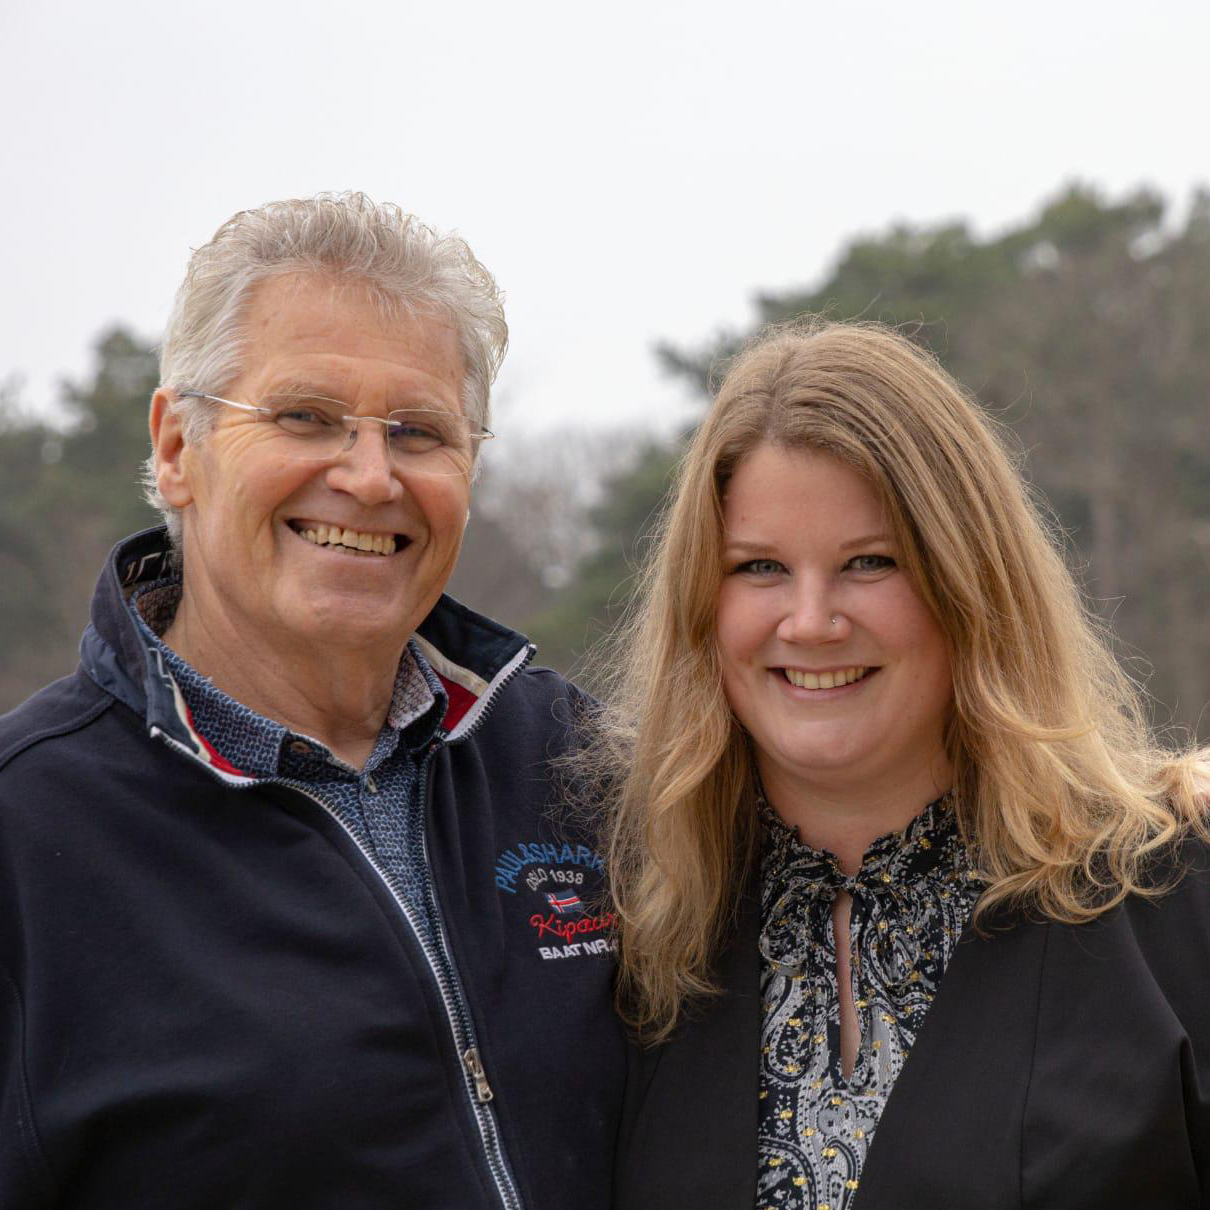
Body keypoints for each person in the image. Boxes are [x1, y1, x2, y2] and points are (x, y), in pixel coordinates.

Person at [0, 194, 623, 1209]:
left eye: (419, 432)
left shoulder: (576, 764)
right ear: (174, 447)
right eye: (305, 417)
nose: (370, 477)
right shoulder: (25, 831)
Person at [593, 319, 1210, 1209]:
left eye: (869, 563)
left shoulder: (1170, 895)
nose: (810, 621)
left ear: (971, 586)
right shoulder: (631, 930)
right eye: (760, 566)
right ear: (702, 604)